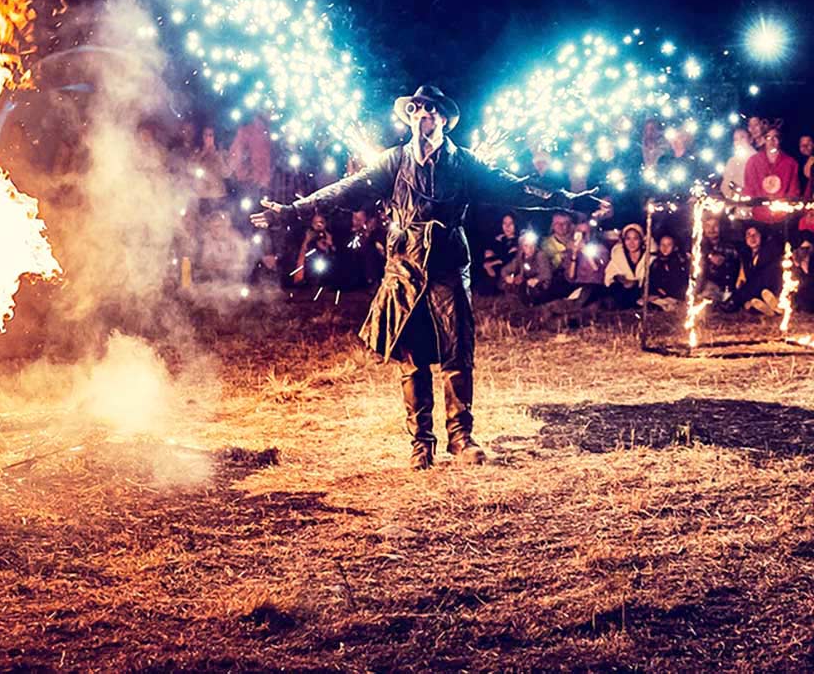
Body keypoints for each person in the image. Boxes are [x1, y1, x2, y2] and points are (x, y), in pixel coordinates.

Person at [251, 84, 606, 470]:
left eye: (430, 109)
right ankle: (421, 443)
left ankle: (461, 437)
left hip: (448, 264)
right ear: (410, 118)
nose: (423, 114)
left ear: (442, 119)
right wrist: (291, 211)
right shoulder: (393, 162)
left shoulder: (464, 164)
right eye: (416, 109)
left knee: (457, 351)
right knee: (413, 357)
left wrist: (566, 200)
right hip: (404, 265)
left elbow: (514, 187)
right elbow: (344, 190)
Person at [744, 124, 799, 227]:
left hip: (782, 219)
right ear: (764, 140)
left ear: (780, 140)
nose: (772, 141)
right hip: (758, 218)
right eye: (768, 137)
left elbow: (793, 191)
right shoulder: (753, 162)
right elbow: (749, 189)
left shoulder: (791, 163)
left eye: (775, 137)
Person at [722, 224, 783, 315]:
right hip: (755, 292)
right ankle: (769, 309)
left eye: (755, 234)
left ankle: (738, 301)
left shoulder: (768, 251)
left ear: (761, 236)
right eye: (749, 235)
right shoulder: (746, 256)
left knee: (756, 282)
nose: (752, 238)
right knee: (751, 303)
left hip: (768, 286)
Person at [501, 231, 557, 306]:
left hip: (542, 286)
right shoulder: (520, 257)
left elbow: (547, 273)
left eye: (532, 245)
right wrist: (507, 277)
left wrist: (537, 279)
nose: (529, 249)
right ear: (522, 247)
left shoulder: (540, 255)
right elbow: (505, 270)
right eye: (526, 246)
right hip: (526, 284)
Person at [563, 215, 610, 303]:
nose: (582, 236)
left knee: (587, 292)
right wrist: (574, 255)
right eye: (579, 232)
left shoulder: (601, 249)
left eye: (585, 233)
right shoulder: (570, 250)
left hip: (594, 286)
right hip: (577, 285)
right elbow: (570, 277)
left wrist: (586, 251)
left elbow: (598, 270)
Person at [604, 223, 650, 309]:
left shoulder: (649, 258)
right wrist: (621, 279)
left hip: (642, 294)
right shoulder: (618, 257)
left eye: (635, 238)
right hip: (622, 294)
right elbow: (609, 276)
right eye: (628, 239)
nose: (631, 243)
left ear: (641, 240)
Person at [227, 112, 272, 197]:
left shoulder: (268, 133)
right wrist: (244, 172)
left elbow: (268, 159)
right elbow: (236, 153)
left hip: (262, 182)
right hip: (249, 181)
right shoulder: (246, 132)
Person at [697, 214, 739, 303]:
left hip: (726, 288)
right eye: (708, 226)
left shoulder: (729, 246)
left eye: (715, 225)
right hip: (706, 286)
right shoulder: (698, 247)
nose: (711, 229)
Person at [647, 234, 690, 311]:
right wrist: (655, 292)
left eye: (669, 245)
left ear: (675, 247)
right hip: (658, 297)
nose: (665, 248)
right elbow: (651, 281)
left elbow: (681, 285)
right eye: (662, 244)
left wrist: (664, 293)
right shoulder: (656, 263)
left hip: (674, 298)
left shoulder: (679, 263)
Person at [480, 213, 519, 294]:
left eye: (510, 223)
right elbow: (490, 252)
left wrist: (493, 262)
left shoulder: (518, 241)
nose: (507, 227)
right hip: (493, 270)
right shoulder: (500, 239)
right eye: (504, 223)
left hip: (506, 272)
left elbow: (509, 258)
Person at [720, 127, 756, 201]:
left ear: (750, 139)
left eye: (742, 137)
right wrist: (734, 195)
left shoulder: (758, 160)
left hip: (755, 203)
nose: (739, 142)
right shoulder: (732, 162)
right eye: (736, 139)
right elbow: (725, 185)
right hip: (738, 204)